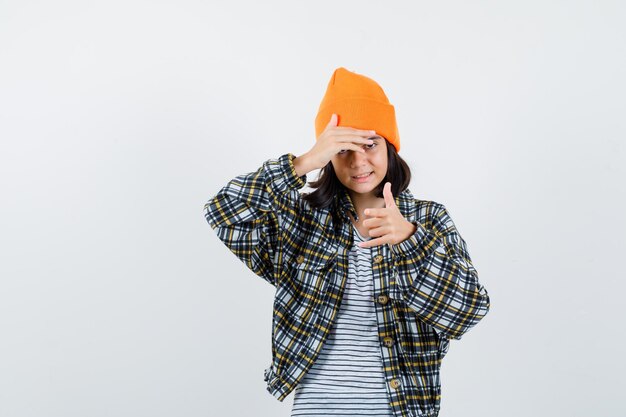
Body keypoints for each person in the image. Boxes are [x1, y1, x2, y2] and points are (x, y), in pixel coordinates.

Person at [203, 67, 491, 417]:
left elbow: (468, 311)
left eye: (370, 144)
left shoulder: (428, 219)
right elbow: (224, 212)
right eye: (343, 149)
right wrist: (304, 161)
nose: (359, 162)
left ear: (390, 148)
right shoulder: (303, 222)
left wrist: (409, 241)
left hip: (400, 409)